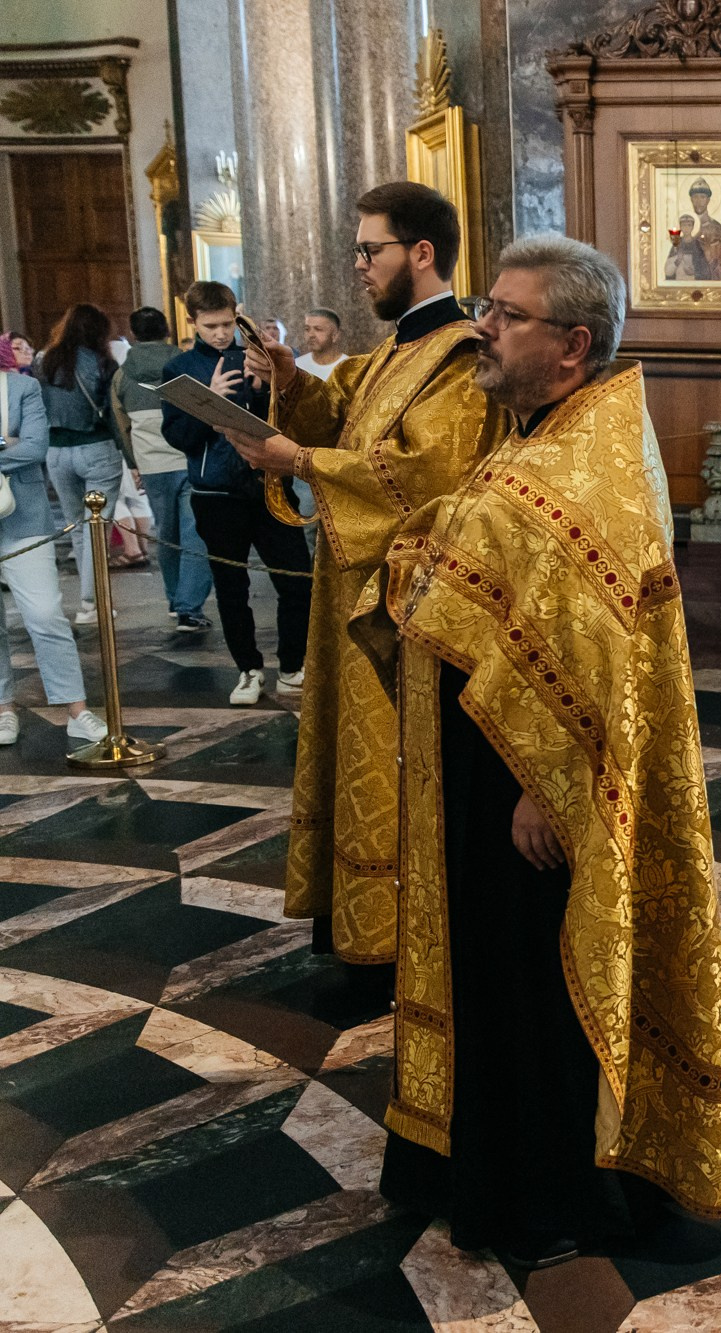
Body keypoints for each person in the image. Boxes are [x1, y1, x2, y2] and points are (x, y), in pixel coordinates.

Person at [378, 234, 721, 1263]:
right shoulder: (538, 435)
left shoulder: (591, 467)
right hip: (477, 766)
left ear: (573, 345)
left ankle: (544, 1199)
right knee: (488, 976)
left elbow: (601, 659)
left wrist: (553, 787)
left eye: (507, 315)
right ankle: (472, 1164)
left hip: (530, 794)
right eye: (488, 307)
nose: (482, 329)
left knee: (530, 987)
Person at [224, 181, 502, 975]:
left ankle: (404, 933)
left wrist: (299, 461)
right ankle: (357, 917)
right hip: (349, 588)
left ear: (422, 253)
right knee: (354, 757)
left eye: (369, 249)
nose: (358, 265)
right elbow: (336, 419)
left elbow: (428, 475)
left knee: (396, 761)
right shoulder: (386, 354)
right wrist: (288, 379)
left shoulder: (457, 357)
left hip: (403, 609)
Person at [160, 281, 315, 705]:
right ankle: (248, 669)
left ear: (237, 315)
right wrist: (208, 404)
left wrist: (264, 391)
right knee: (232, 588)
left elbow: (288, 421)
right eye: (210, 326)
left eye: (227, 324)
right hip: (216, 493)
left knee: (297, 580)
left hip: (269, 485)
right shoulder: (179, 369)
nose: (220, 333)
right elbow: (178, 437)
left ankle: (291, 666)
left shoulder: (259, 356)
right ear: (192, 321)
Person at [0, 338, 107, 747]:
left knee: (45, 614)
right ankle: (3, 708)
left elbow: (35, 447)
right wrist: (6, 442)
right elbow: (18, 446)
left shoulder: (21, 387)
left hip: (23, 518)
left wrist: (14, 445)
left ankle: (76, 710)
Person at [112, 306, 213, 631]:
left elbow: (120, 422)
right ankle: (189, 607)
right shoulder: (183, 364)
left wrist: (134, 463)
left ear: (133, 334)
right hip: (189, 457)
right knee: (196, 534)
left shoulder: (122, 374)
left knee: (167, 534)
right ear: (167, 330)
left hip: (151, 463)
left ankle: (174, 599)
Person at [32, 304, 127, 628]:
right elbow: (113, 413)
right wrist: (130, 457)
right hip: (97, 448)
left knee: (77, 526)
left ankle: (89, 600)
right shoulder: (103, 363)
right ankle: (91, 602)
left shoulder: (43, 361)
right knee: (97, 527)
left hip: (57, 451)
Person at [689, 179, 721, 281]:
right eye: (695, 197)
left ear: (708, 200)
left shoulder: (717, 229)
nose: (698, 201)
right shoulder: (685, 227)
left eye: (702, 197)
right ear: (691, 199)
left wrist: (711, 260)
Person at [296, 308, 348, 380]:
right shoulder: (297, 366)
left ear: (335, 335)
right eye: (307, 329)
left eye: (318, 329)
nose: (311, 335)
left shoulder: (348, 367)